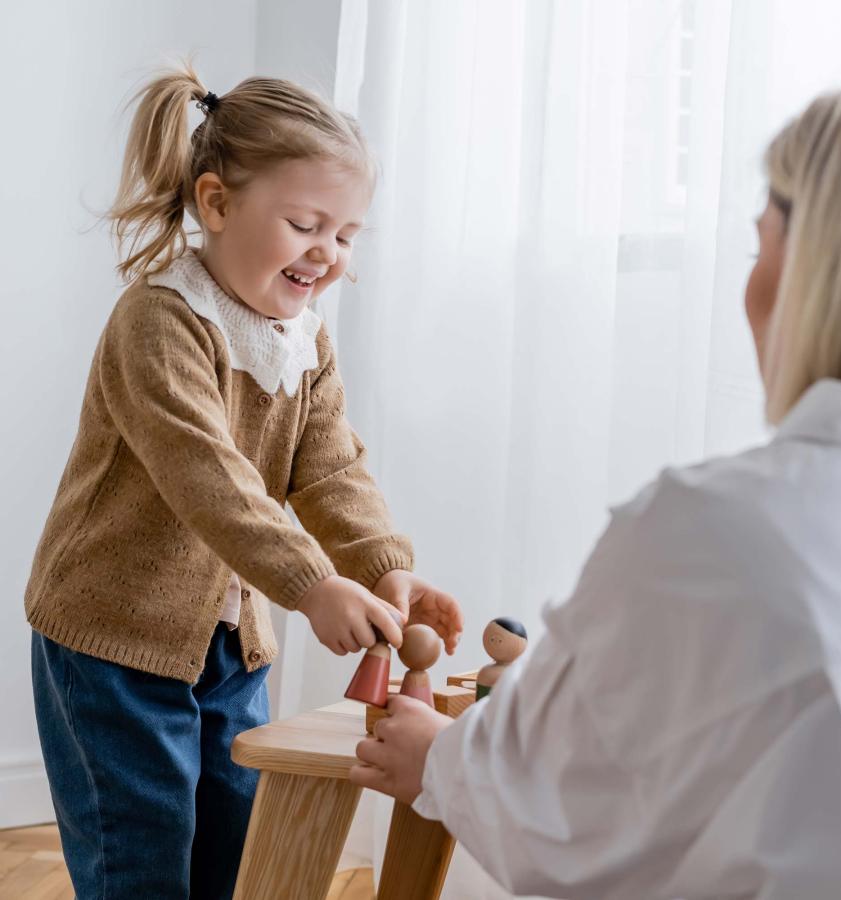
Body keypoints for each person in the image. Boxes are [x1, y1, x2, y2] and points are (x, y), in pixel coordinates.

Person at [351, 80, 841, 899]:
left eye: (760, 248)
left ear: (817, 273)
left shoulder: (710, 530)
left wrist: (441, 758)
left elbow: (556, 801)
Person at [25, 62, 463, 899]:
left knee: (235, 831)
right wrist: (312, 584)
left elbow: (331, 463)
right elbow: (210, 481)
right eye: (306, 225)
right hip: (112, 638)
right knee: (142, 849)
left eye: (346, 235)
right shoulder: (158, 321)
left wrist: (380, 566)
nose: (328, 255)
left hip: (226, 643)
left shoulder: (304, 337)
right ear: (217, 204)